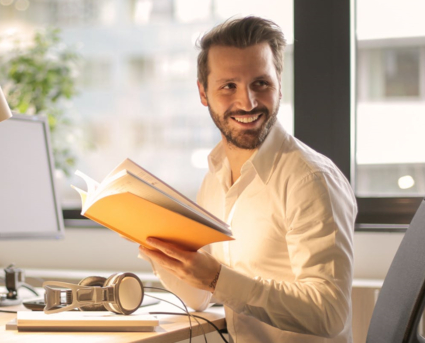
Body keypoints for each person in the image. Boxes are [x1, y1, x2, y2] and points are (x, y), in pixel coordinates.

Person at [139, 16, 357, 343]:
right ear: (203, 93)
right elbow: (199, 297)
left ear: (279, 84)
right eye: (229, 86)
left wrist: (217, 278)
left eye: (260, 83)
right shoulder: (214, 177)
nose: (248, 102)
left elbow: (330, 312)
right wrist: (160, 251)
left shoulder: (310, 179)